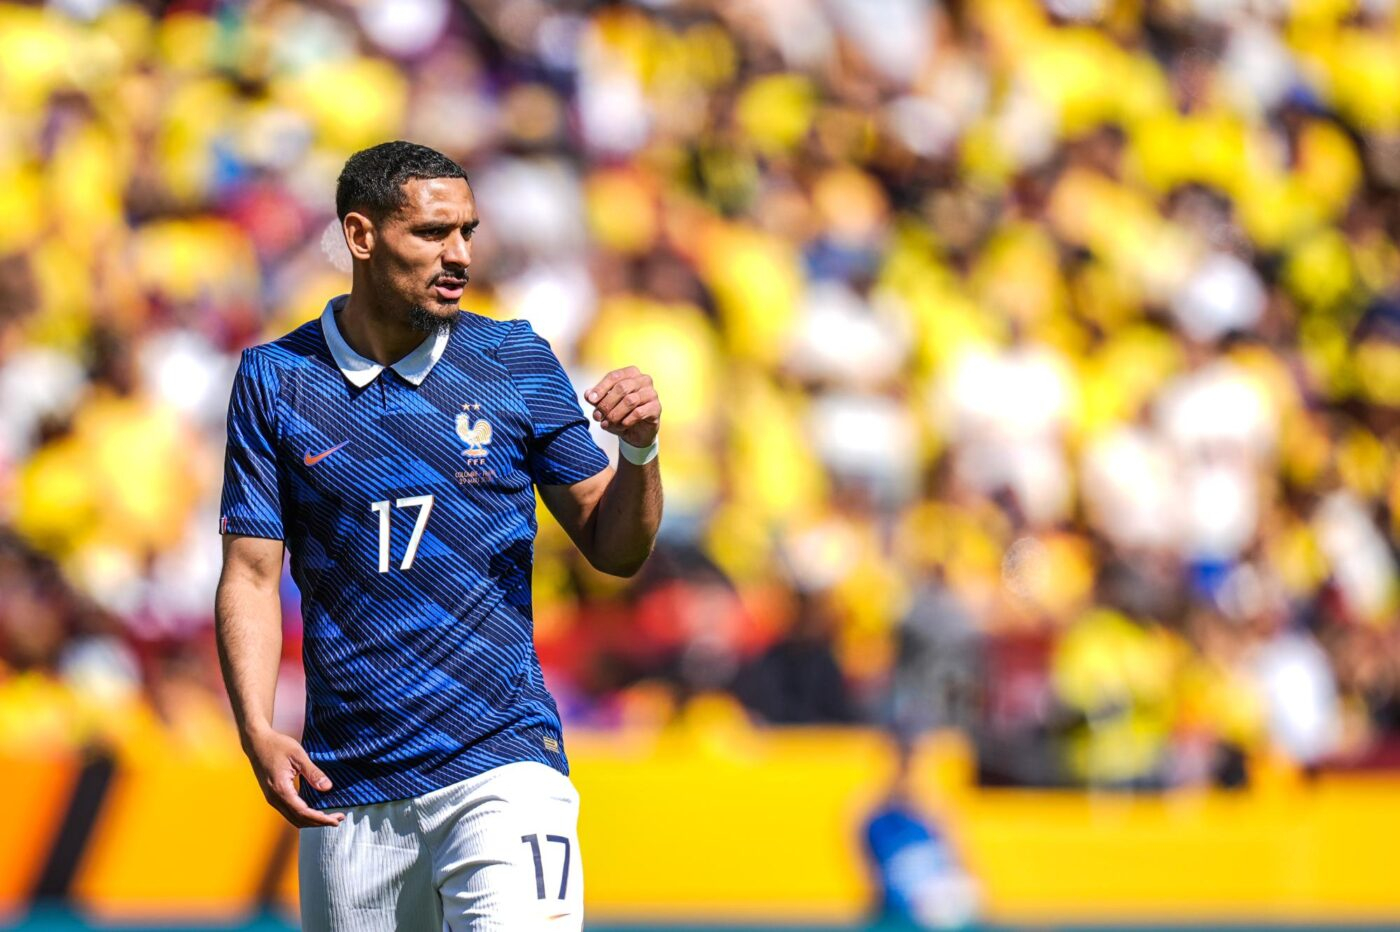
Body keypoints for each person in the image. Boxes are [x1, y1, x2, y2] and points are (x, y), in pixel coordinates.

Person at [213, 141, 663, 931]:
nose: (459, 255)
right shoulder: (276, 380)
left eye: (467, 232)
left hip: (501, 760)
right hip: (349, 786)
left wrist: (639, 452)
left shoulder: (514, 358)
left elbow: (614, 546)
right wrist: (255, 727)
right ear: (361, 235)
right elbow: (250, 574)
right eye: (432, 233)